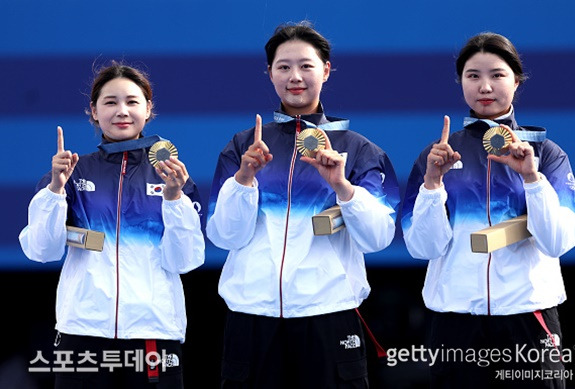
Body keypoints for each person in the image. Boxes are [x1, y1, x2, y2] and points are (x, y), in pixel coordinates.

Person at [206, 21, 400, 388]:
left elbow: (378, 238)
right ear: (269, 73)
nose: (295, 76)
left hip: (328, 316)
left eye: (306, 66)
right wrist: (244, 178)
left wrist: (343, 187)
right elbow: (224, 236)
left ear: (326, 70)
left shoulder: (358, 149)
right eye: (283, 67)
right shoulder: (243, 146)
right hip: (252, 317)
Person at [401, 32, 575, 388]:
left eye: (497, 75)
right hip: (456, 321)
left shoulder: (547, 154)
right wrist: (432, 184)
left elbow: (557, 242)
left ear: (516, 81)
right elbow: (423, 248)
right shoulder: (437, 154)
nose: (485, 86)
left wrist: (532, 178)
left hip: (528, 317)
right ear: (461, 83)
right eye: (473, 76)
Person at [19, 61, 205, 388]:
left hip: (152, 333)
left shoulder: (173, 177)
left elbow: (185, 261)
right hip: (83, 332)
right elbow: (41, 251)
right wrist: (55, 189)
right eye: (110, 102)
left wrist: (175, 199)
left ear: (148, 110)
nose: (122, 111)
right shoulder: (71, 173)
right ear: (93, 111)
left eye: (132, 102)